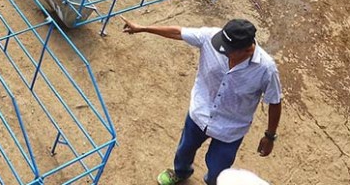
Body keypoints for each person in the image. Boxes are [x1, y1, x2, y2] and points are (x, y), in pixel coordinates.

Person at [121, 17, 282, 185]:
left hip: (230, 130)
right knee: (184, 151)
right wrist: (143, 28)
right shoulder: (210, 38)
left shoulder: (266, 69)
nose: (221, 50)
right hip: (199, 114)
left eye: (228, 49)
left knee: (219, 172)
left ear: (246, 49)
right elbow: (178, 32)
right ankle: (181, 172)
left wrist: (269, 136)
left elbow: (275, 101)